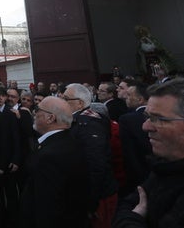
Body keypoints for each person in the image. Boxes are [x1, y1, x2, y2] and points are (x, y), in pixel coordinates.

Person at [113, 78, 184, 228]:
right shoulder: (163, 166)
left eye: (158, 119)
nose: (145, 127)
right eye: (147, 117)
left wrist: (131, 220)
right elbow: (127, 204)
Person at [19, 97, 90, 228]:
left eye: (38, 110)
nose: (34, 113)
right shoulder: (69, 142)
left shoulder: (51, 155)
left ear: (50, 118)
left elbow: (47, 206)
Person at [64, 83, 118, 228]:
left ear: (79, 103)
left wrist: (90, 203)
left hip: (99, 196)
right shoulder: (80, 120)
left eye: (66, 99)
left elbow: (96, 164)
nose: (62, 102)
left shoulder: (90, 123)